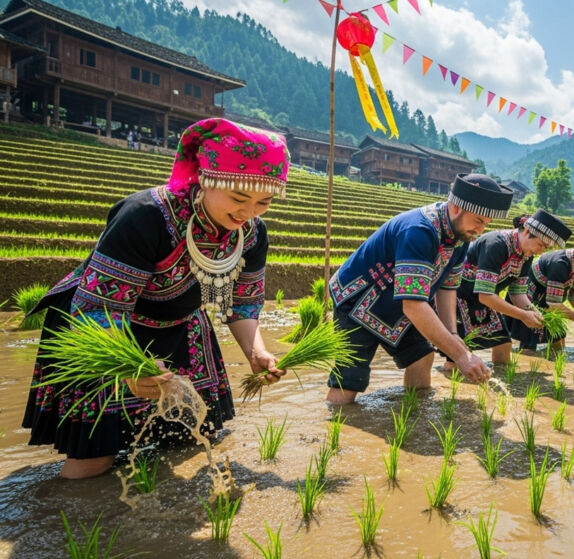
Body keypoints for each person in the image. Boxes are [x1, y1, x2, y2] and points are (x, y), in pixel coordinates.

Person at [22, 118, 290, 479]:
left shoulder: (253, 233)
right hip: (103, 329)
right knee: (93, 461)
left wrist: (256, 352)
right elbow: (101, 308)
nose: (248, 213)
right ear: (206, 178)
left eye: (264, 202)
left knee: (195, 439)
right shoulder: (146, 217)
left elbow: (242, 304)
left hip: (181, 323)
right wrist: (129, 368)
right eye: (239, 198)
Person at [325, 173, 512, 406]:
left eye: (485, 224)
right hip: (359, 299)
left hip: (398, 302)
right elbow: (413, 305)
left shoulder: (460, 239)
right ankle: (332, 426)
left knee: (422, 357)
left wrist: (453, 335)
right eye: (478, 220)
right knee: (350, 377)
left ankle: (415, 415)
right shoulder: (419, 230)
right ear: (456, 208)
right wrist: (461, 356)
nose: (480, 229)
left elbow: (447, 288)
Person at [451, 210, 571, 369]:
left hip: (484, 299)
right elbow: (485, 296)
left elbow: (517, 293)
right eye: (541, 245)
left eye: (545, 248)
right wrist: (523, 315)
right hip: (458, 297)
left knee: (503, 342)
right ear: (527, 231)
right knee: (457, 356)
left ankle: (501, 379)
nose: (541, 251)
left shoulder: (526, 255)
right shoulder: (496, 244)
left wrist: (534, 312)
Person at [507, 230, 574, 352]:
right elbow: (554, 305)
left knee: (558, 339)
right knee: (529, 344)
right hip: (530, 297)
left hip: (550, 301)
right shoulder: (561, 264)